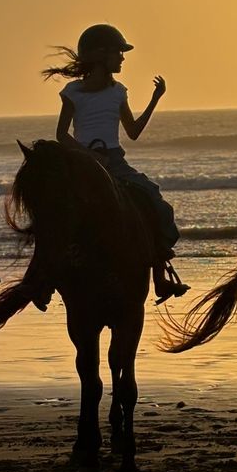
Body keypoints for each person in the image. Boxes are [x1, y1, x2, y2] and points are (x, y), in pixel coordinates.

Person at [22, 23, 189, 307]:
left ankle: (160, 274)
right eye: (118, 52)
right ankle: (40, 282)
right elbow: (62, 135)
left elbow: (133, 131)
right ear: (101, 55)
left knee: (155, 201)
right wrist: (87, 155)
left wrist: (155, 100)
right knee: (54, 214)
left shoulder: (118, 92)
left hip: (115, 160)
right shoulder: (73, 92)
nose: (122, 58)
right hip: (79, 162)